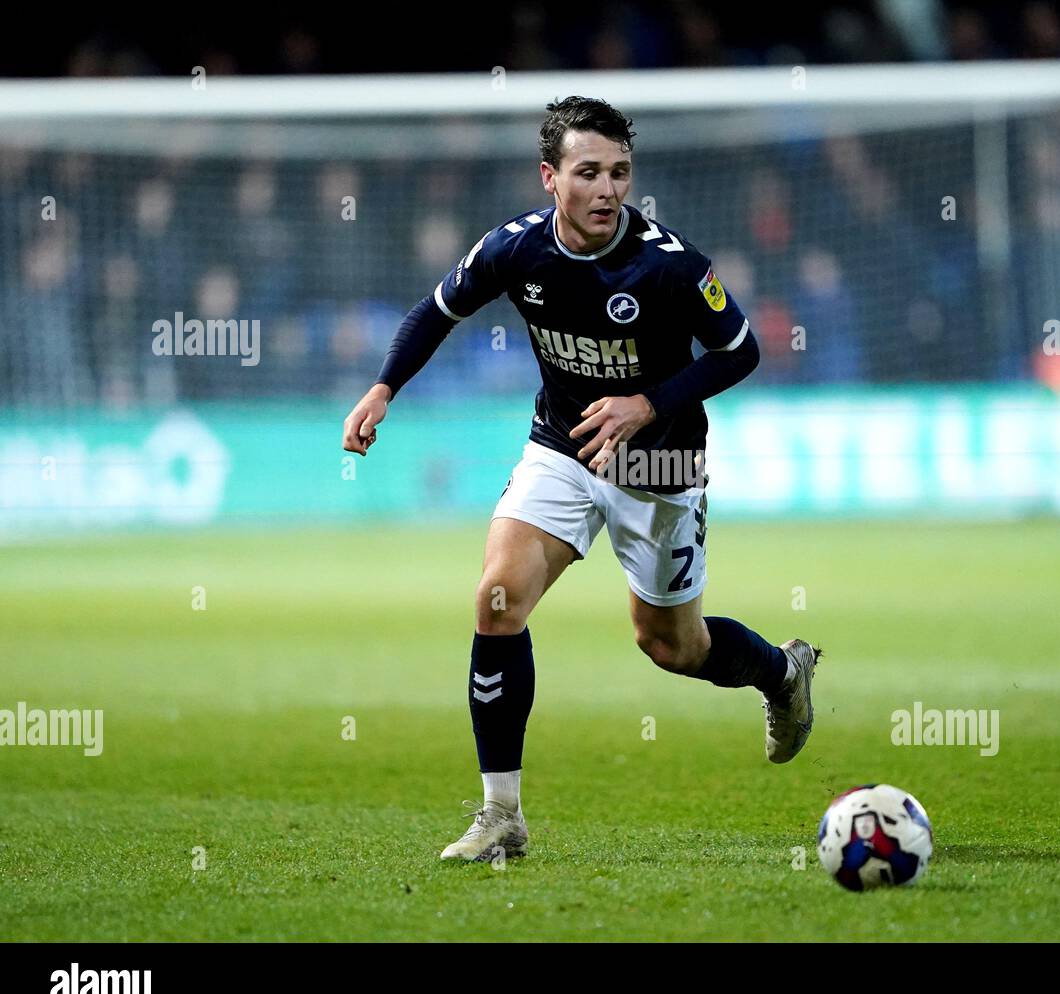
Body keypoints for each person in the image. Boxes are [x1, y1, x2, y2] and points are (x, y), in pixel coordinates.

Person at [342, 96, 819, 862]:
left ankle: (781, 670)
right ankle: (502, 813)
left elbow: (741, 351)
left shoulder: (671, 264)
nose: (607, 190)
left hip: (659, 464)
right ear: (550, 177)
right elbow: (435, 311)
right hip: (561, 447)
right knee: (497, 599)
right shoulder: (515, 249)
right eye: (589, 172)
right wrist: (383, 387)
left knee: (670, 644)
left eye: (620, 173)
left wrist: (647, 402)